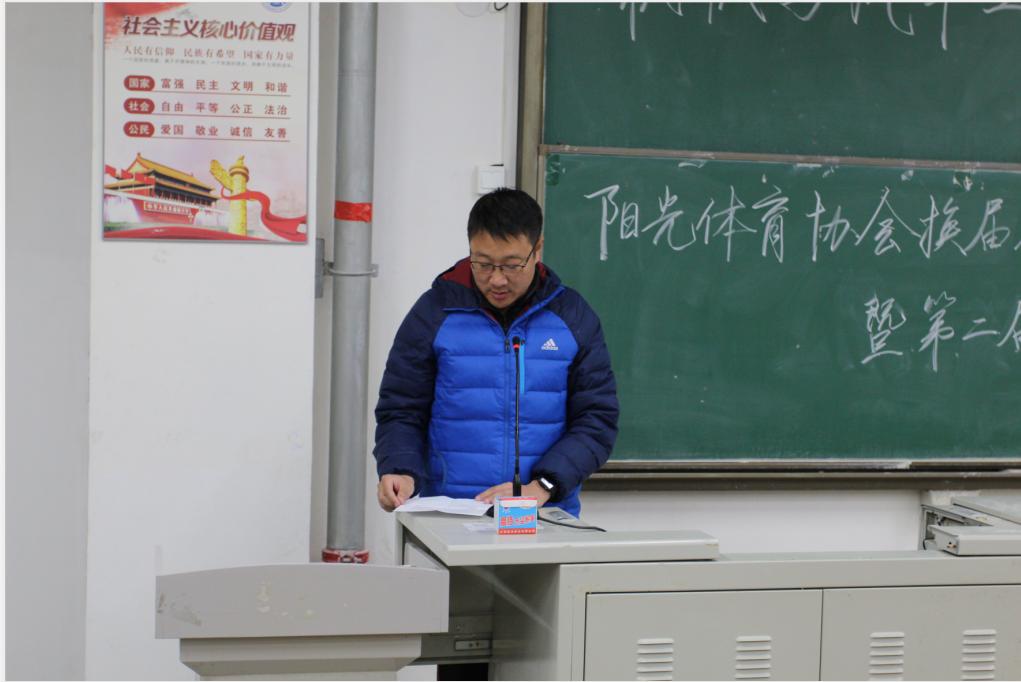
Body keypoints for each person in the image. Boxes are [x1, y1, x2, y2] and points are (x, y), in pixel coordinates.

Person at [373, 187, 618, 517]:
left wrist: (542, 486)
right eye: (483, 264)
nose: (497, 280)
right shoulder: (434, 313)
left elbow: (597, 419)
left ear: (537, 249)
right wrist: (400, 468)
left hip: (541, 513)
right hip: (452, 511)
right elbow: (401, 408)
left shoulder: (573, 318)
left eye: (512, 265)